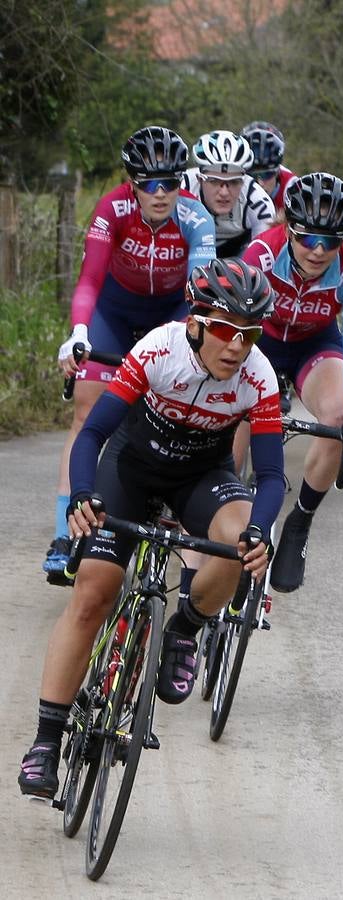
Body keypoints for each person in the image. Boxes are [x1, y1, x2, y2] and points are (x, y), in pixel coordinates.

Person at [18, 258, 286, 800]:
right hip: (131, 467)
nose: (237, 347)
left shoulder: (258, 376)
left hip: (201, 475)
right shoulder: (160, 350)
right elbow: (93, 433)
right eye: (227, 330)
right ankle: (47, 740)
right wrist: (84, 494)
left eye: (250, 333)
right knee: (94, 590)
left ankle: (184, 628)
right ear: (197, 322)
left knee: (237, 548)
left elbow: (275, 474)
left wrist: (258, 531)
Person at [43, 126, 217, 584]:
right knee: (88, 410)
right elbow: (90, 278)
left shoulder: (197, 218)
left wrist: (185, 346)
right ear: (132, 183)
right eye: (148, 184)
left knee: (177, 406)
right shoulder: (112, 208)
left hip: (171, 313)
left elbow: (200, 291)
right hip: (115, 314)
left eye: (170, 183)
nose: (160, 194)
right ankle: (65, 534)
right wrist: (79, 331)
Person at [242, 172, 343, 594]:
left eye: (331, 241)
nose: (319, 251)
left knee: (337, 416)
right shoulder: (262, 254)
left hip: (312, 344)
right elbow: (232, 332)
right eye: (307, 239)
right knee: (235, 414)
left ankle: (300, 519)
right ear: (287, 228)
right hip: (260, 337)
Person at [181, 129, 275, 256]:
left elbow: (265, 256)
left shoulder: (258, 201)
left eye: (234, 182)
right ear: (199, 179)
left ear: (243, 181)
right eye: (214, 181)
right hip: (188, 246)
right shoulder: (182, 188)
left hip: (238, 248)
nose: (224, 192)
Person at [240, 121, 296, 212]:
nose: (260, 183)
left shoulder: (292, 189)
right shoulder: (231, 183)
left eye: (267, 174)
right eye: (251, 176)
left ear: (278, 171)